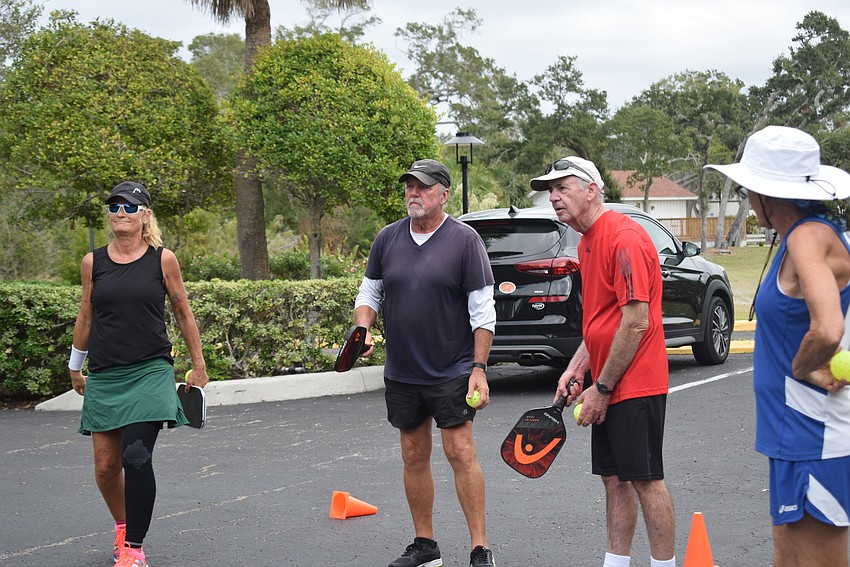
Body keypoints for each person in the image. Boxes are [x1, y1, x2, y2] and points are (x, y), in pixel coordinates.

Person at [705, 126, 850, 567]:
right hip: (792, 436)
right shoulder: (807, 237)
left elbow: (827, 329)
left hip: (813, 436)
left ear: (767, 194)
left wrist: (804, 367)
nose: (748, 196)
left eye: (750, 187)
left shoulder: (808, 237)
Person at [530, 157, 676, 567]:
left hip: (636, 382)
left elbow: (634, 323)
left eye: (563, 187)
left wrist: (602, 388)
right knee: (615, 480)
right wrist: (578, 365)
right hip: (608, 380)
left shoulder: (624, 237)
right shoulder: (586, 241)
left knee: (647, 481)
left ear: (592, 189)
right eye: (550, 190)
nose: (554, 197)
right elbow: (604, 320)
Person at [352, 159, 498, 567]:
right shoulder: (387, 239)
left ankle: (479, 547)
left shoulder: (465, 241)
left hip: (452, 368)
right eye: (409, 187)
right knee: (413, 455)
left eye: (423, 187)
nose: (414, 193)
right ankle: (425, 545)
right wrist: (362, 330)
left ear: (444, 194)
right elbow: (369, 294)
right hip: (403, 370)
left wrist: (479, 369)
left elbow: (482, 314)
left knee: (460, 451)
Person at [68, 181, 209, 567]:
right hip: (105, 373)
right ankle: (122, 525)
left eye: (130, 207)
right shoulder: (92, 262)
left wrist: (198, 364)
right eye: (114, 207)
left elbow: (182, 311)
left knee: (135, 456)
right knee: (105, 466)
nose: (120, 213)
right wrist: (75, 366)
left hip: (149, 370)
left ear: (145, 215)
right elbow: (86, 315)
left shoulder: (163, 260)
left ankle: (133, 548)